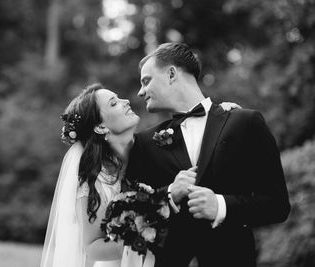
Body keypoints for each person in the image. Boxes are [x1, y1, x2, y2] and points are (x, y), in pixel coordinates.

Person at [126, 42, 291, 267]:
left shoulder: (244, 122)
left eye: (147, 81)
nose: (140, 91)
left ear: (172, 73)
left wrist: (221, 206)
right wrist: (170, 194)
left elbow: (277, 205)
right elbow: (132, 215)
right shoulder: (144, 143)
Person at [40, 83, 240, 267]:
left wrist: (220, 117)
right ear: (101, 127)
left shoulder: (157, 144)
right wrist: (142, 233)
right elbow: (92, 248)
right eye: (114, 103)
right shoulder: (96, 180)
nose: (125, 101)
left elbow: (197, 136)